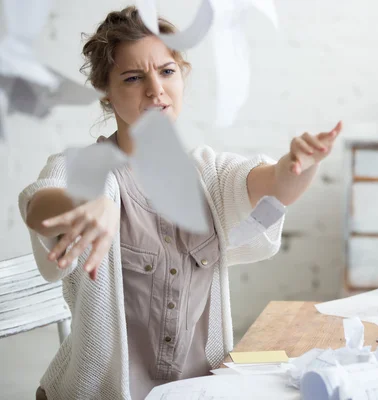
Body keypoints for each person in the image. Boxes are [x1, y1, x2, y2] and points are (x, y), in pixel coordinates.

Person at [19, 6, 342, 400]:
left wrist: (298, 168)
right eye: (134, 78)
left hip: (195, 390)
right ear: (106, 92)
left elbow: (273, 185)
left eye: (166, 71)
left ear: (182, 75)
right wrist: (85, 206)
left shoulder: (209, 175)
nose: (156, 90)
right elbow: (38, 204)